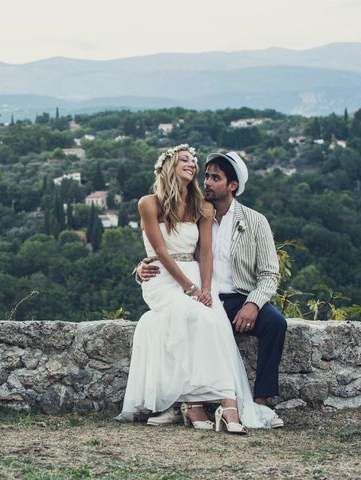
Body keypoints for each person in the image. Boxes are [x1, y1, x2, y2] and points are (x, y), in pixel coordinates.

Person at [117, 144, 276, 433]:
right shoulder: (153, 203)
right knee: (197, 318)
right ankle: (197, 404)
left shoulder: (236, 216)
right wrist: (147, 271)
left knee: (261, 323)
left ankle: (246, 401)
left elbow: (211, 257)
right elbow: (160, 251)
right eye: (205, 173)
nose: (204, 178)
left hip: (220, 289)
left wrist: (209, 290)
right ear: (169, 167)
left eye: (214, 177)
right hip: (172, 281)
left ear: (233, 185)